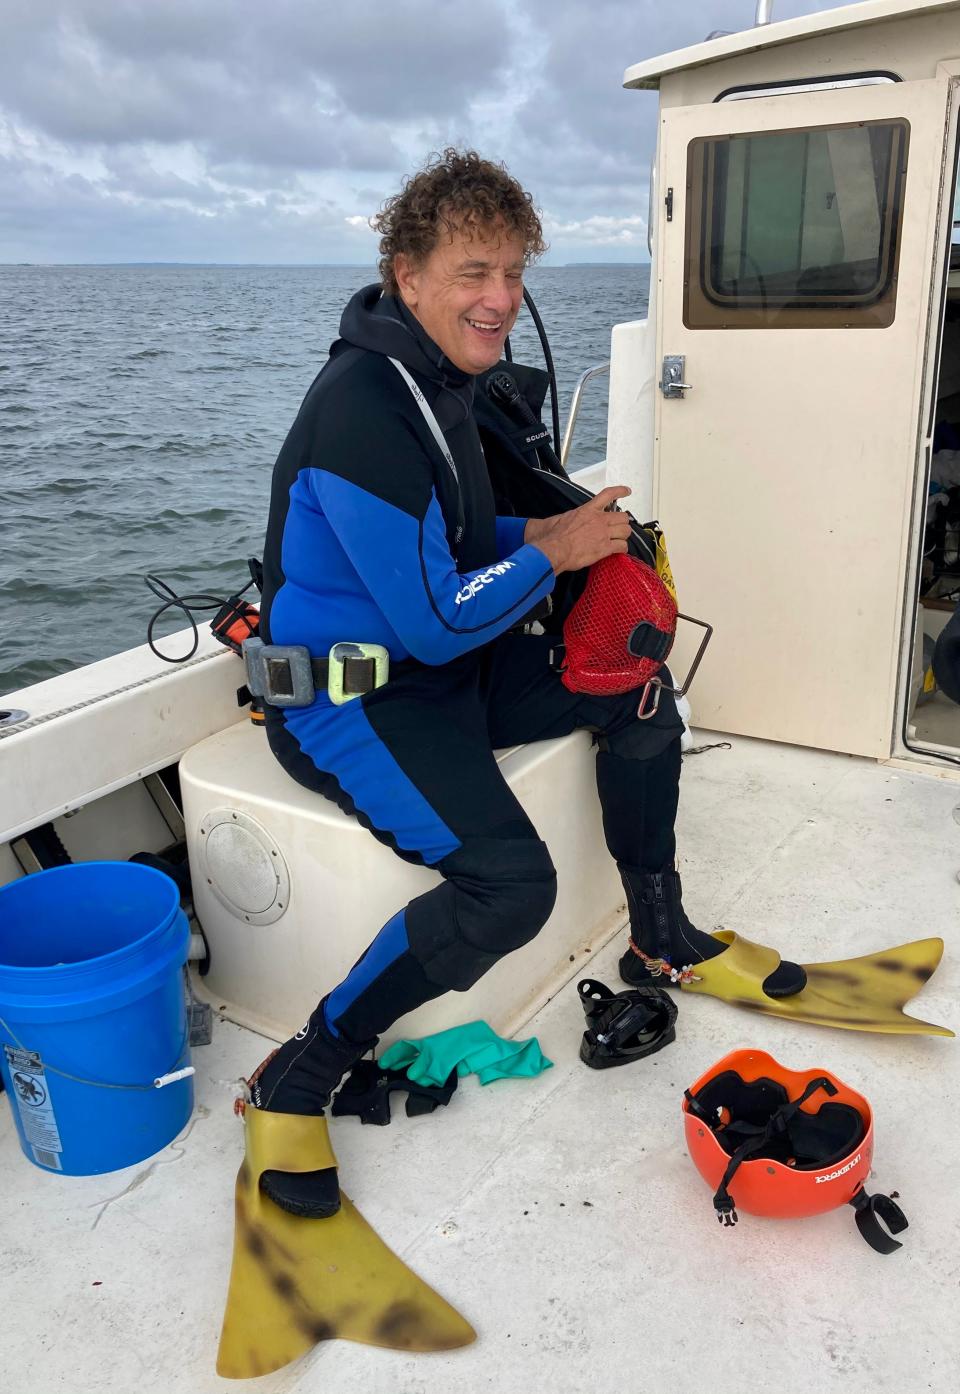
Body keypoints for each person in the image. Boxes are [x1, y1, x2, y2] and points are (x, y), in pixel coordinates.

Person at [249, 149, 803, 1219]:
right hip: (350, 699)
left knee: (637, 684)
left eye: (511, 271)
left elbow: (458, 538)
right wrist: (553, 555)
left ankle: (658, 930)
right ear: (407, 273)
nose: (500, 298)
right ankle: (308, 1061)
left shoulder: (437, 380)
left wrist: (555, 528)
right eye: (472, 272)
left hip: (445, 672)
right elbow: (434, 612)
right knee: (513, 887)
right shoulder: (365, 404)